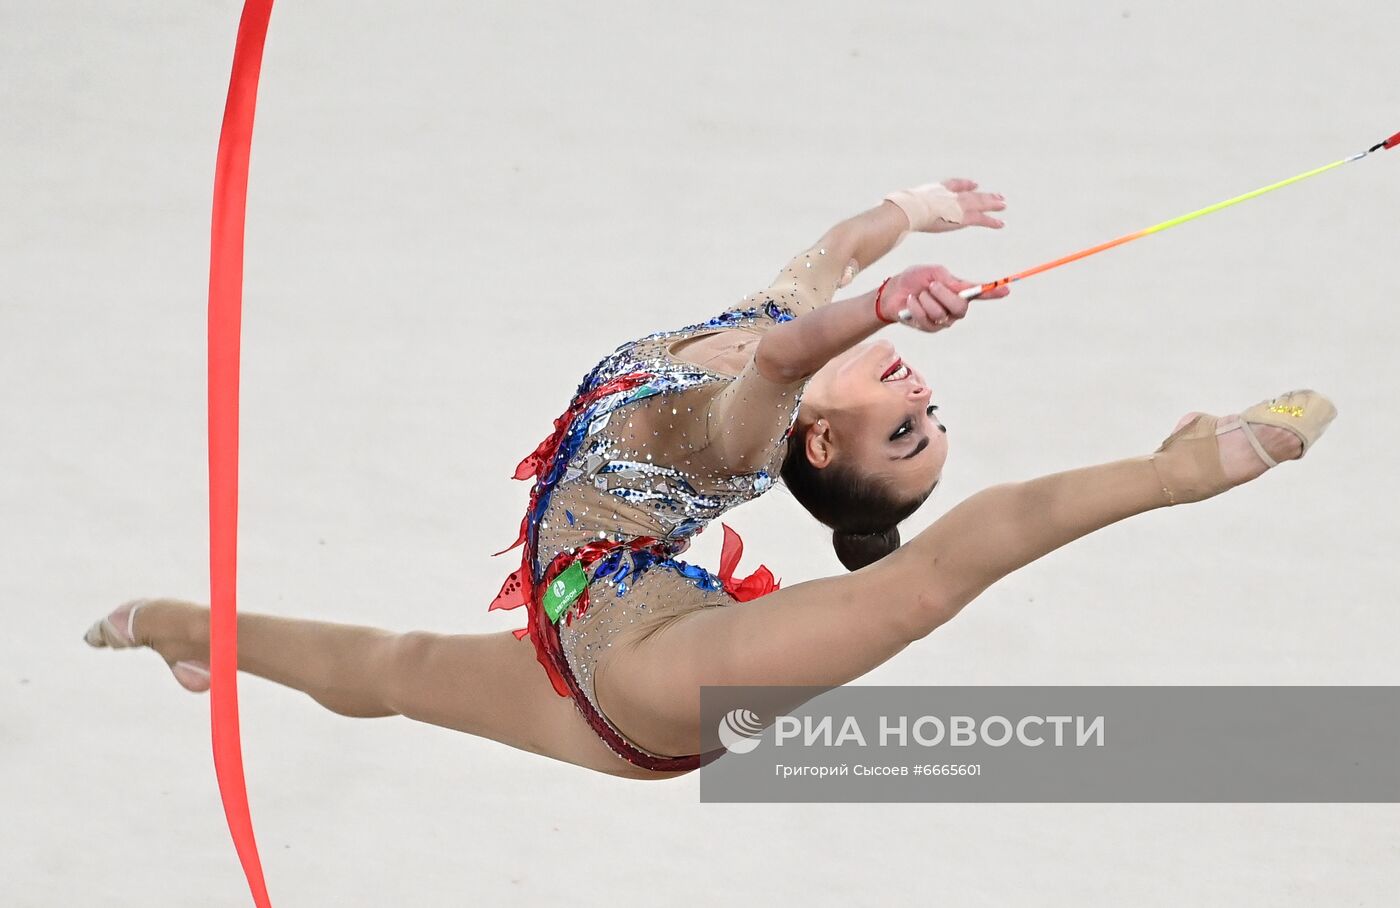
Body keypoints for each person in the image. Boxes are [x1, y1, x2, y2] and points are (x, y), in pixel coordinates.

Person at [85, 178, 1336, 780]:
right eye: (927, 411)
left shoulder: (747, 427)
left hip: (651, 672)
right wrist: (909, 210)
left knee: (934, 580)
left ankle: (1181, 471)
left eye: (908, 431)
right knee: (391, 673)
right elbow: (826, 253)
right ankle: (183, 630)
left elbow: (795, 349)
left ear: (818, 445)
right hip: (590, 637)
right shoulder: (768, 325)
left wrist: (873, 306)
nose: (917, 395)